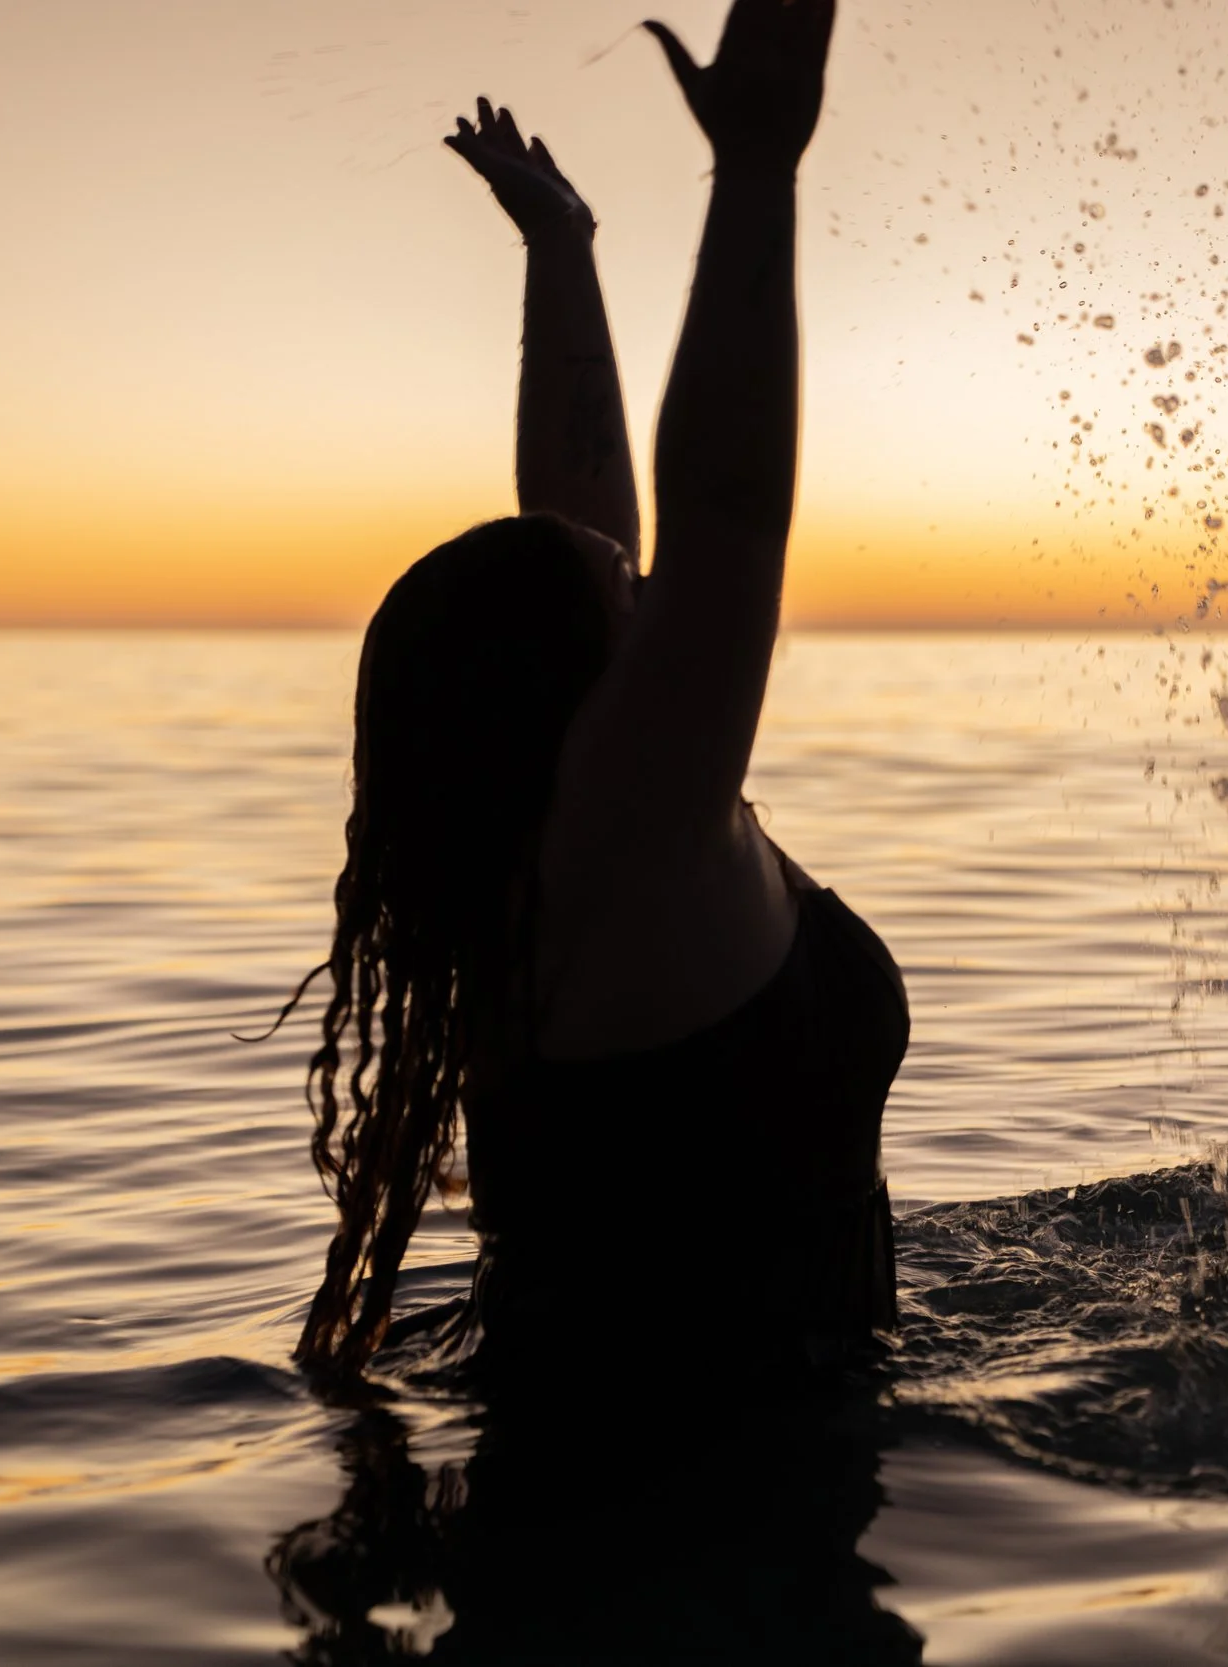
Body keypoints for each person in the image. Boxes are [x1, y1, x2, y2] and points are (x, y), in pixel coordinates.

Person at [289, 0, 904, 1389]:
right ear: (574, 677)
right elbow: (727, 512)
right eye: (614, 587)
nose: (639, 580)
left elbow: (584, 523)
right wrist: (758, 170)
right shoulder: (634, 834)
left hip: (623, 1470)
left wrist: (562, 250)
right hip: (693, 1523)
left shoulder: (563, 855)